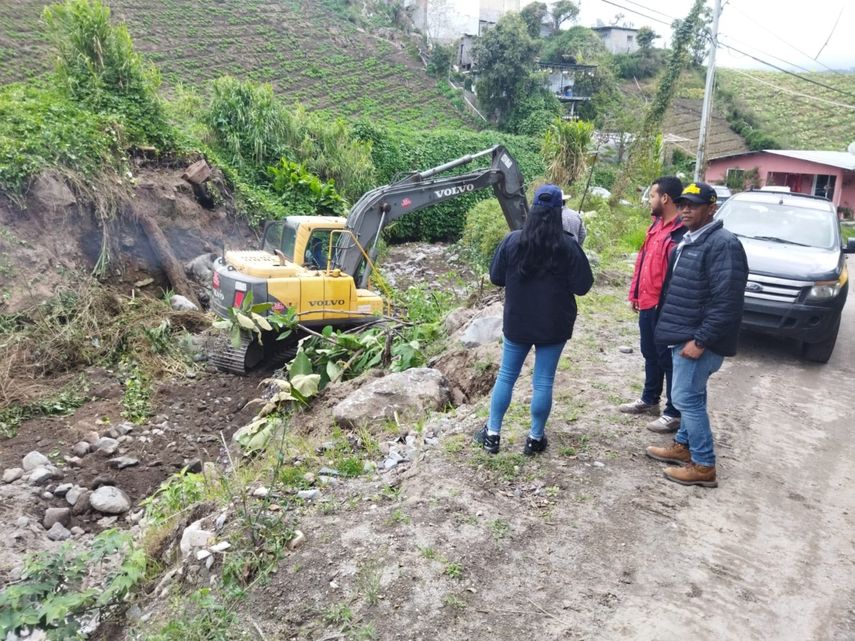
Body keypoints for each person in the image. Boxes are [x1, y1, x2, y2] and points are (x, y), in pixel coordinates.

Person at [475, 184, 593, 455]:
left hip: (518, 322)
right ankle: (534, 439)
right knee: (543, 381)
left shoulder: (513, 240)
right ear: (558, 212)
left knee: (506, 376)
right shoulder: (568, 246)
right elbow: (582, 286)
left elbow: (496, 277)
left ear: (532, 209)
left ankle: (492, 435)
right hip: (554, 324)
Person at [645, 182, 748, 488]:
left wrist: (701, 339)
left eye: (694, 205)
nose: (686, 209)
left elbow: (727, 301)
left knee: (686, 398)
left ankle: (703, 465)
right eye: (683, 204)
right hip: (683, 334)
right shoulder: (690, 241)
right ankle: (683, 445)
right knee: (692, 396)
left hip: (698, 340)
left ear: (711, 208)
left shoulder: (723, 244)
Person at [618, 176, 686, 433]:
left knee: (668, 359)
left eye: (652, 196)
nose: (650, 200)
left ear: (665, 198)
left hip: (665, 307)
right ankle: (649, 399)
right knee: (649, 353)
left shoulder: (680, 232)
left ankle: (673, 412)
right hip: (647, 303)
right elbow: (643, 262)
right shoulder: (656, 226)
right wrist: (634, 294)